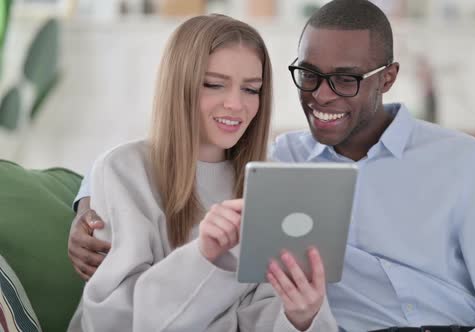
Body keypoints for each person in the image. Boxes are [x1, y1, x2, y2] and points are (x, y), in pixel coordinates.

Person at [69, 1, 475, 331]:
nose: (323, 95)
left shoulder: (467, 164)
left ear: (388, 78)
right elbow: (166, 160)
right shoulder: (273, 168)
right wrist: (88, 199)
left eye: (347, 79)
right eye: (309, 76)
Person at [66, 14, 337, 332]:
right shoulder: (123, 171)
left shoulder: (271, 181)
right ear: (180, 84)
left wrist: (301, 317)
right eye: (214, 84)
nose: (236, 104)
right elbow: (115, 320)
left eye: (251, 89)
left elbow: (262, 314)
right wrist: (204, 258)